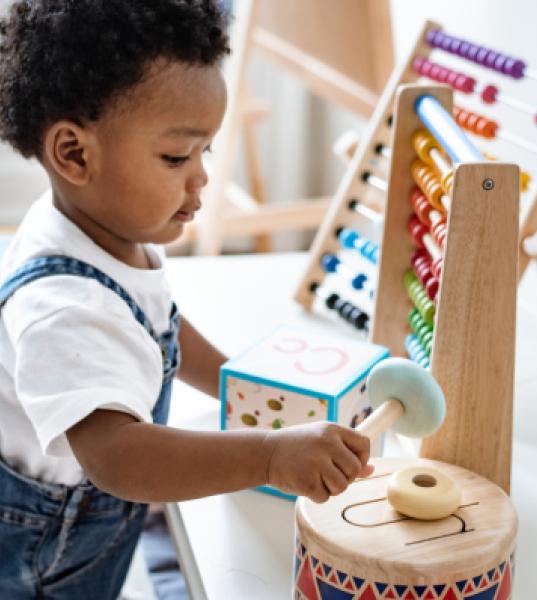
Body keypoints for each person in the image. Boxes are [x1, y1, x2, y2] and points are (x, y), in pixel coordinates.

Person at [0, 2, 372, 597]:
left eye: (205, 152)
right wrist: (269, 456)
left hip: (93, 514)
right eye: (177, 156)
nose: (200, 177)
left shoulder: (108, 230)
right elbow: (119, 458)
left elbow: (161, 328)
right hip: (44, 547)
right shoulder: (63, 307)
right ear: (74, 154)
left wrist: (240, 383)